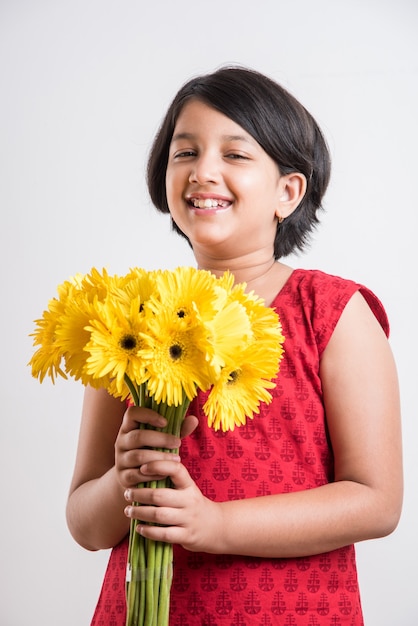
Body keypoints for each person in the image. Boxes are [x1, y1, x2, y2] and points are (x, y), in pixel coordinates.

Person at [66, 67, 403, 625]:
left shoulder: (332, 313)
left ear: (287, 192)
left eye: (235, 155)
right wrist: (122, 481)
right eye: (186, 152)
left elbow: (376, 500)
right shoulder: (130, 319)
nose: (204, 172)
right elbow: (84, 523)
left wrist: (215, 526)